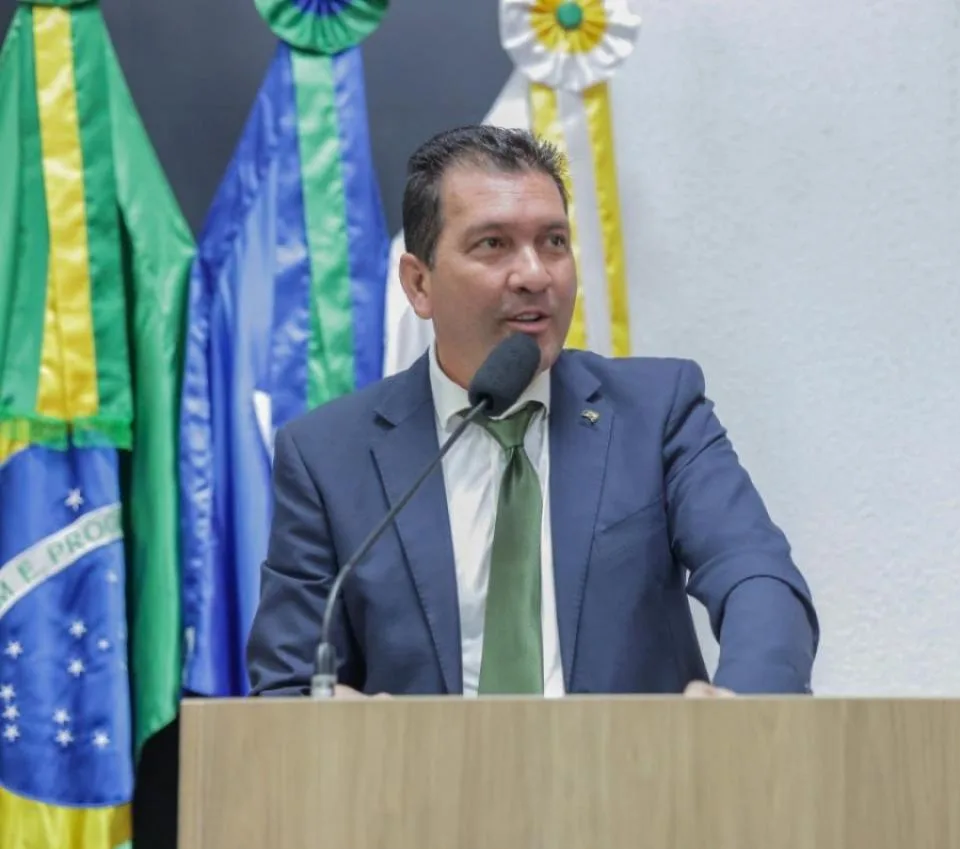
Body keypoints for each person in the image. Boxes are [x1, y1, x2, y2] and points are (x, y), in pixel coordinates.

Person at [245, 125, 818, 699]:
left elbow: (757, 574)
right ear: (419, 284)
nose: (536, 275)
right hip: (424, 762)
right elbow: (289, 684)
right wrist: (333, 721)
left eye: (553, 242)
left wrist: (742, 709)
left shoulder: (657, 411)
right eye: (493, 244)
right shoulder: (328, 456)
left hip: (627, 758)